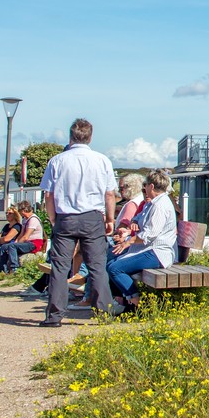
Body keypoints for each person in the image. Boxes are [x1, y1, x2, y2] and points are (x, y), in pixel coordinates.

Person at [39, 118, 117, 326]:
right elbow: (110, 194)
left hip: (65, 218)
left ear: (71, 136)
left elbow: (49, 194)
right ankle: (104, 313)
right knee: (97, 266)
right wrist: (110, 219)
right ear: (90, 137)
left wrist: (53, 217)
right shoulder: (102, 161)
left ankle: (54, 316)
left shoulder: (57, 161)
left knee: (59, 266)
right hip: (92, 217)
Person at [28, 172, 142, 300]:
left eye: (122, 188)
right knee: (86, 250)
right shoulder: (134, 203)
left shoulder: (131, 204)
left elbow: (124, 226)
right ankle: (76, 281)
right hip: (126, 241)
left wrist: (116, 228)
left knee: (89, 251)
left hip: (126, 243)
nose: (120, 191)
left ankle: (80, 283)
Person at [105, 170, 177, 311]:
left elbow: (150, 234)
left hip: (158, 253)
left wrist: (128, 242)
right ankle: (125, 302)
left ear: (150, 186)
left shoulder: (160, 205)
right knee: (112, 263)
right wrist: (135, 222)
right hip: (150, 250)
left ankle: (139, 304)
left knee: (115, 268)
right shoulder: (153, 203)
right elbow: (139, 217)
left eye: (145, 186)